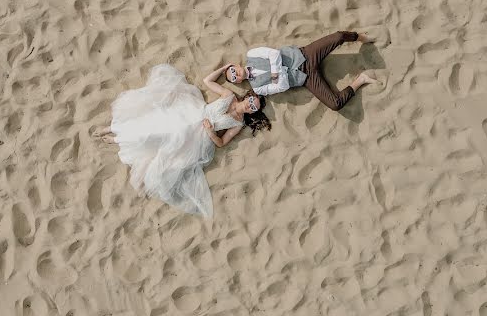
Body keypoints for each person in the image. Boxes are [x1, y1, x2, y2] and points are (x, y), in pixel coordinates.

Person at [93, 64, 270, 217]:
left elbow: (221, 143)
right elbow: (208, 81)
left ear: (254, 112)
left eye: (254, 107)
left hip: (200, 136)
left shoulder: (238, 124)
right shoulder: (229, 95)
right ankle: (115, 130)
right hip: (192, 112)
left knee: (164, 143)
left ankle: (116, 138)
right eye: (251, 101)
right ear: (247, 96)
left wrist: (210, 132)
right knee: (153, 123)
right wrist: (223, 69)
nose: (250, 105)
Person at [226, 31, 379, 111]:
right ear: (238, 82)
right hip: (306, 78)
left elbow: (274, 53)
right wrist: (278, 74)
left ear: (236, 65)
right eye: (233, 78)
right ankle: (361, 79)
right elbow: (282, 87)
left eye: (233, 71)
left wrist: (275, 75)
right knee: (335, 104)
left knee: (339, 36)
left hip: (305, 55)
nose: (235, 75)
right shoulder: (257, 88)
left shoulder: (251, 54)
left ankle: (361, 37)